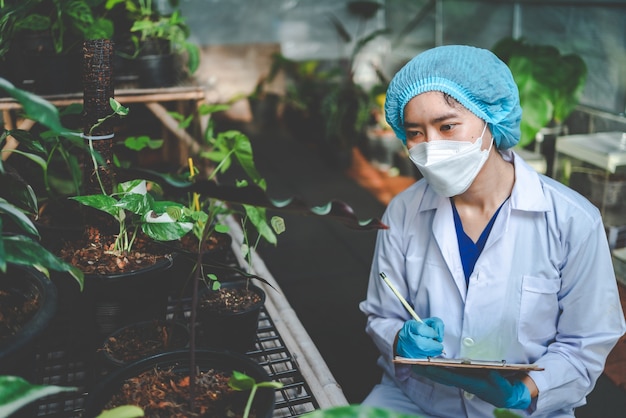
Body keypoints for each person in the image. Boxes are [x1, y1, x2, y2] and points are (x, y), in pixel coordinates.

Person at [359, 44, 626, 417]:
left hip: (526, 409)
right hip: (416, 398)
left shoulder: (572, 220)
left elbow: (586, 341)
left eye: (447, 125)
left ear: (489, 117)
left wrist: (525, 392)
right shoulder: (404, 210)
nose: (431, 146)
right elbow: (381, 314)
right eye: (415, 132)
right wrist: (399, 340)